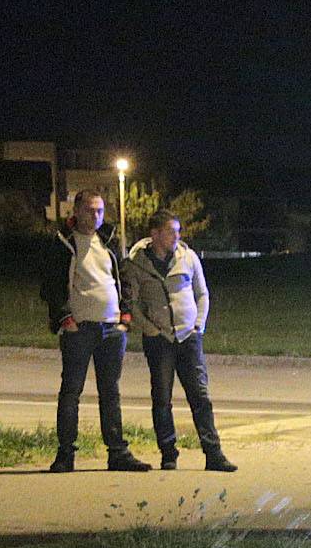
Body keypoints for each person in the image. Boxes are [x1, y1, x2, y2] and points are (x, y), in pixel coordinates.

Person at [40, 189, 149, 474]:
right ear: (75, 211)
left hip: (112, 328)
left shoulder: (109, 241)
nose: (96, 216)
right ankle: (65, 454)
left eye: (100, 211)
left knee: (110, 392)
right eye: (90, 210)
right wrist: (65, 319)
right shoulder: (63, 242)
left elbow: (123, 277)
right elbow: (51, 285)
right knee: (71, 392)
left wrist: (125, 315)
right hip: (79, 329)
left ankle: (117, 452)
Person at [123, 211, 236, 472]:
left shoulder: (188, 257)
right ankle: (168, 454)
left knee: (200, 396)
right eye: (171, 231)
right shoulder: (136, 264)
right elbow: (132, 302)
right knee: (162, 398)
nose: (177, 236)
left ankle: (213, 453)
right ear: (156, 234)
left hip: (189, 338)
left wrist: (198, 325)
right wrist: (149, 329)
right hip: (159, 340)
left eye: (178, 231)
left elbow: (202, 293)